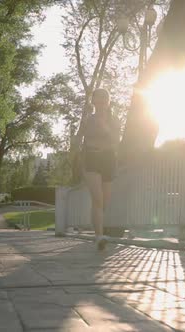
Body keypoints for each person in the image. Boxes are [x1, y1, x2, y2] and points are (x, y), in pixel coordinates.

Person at [80, 88, 120, 250]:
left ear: (108, 101)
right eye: (99, 98)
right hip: (92, 159)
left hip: (108, 160)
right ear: (93, 101)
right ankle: (99, 236)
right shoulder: (88, 119)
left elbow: (115, 142)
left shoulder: (114, 120)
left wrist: (103, 143)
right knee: (97, 198)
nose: (102, 101)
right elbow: (87, 141)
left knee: (104, 201)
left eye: (105, 97)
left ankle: (97, 231)